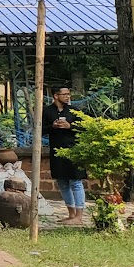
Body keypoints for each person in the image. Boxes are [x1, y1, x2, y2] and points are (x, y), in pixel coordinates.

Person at [42, 85, 86, 223]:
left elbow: (84, 128)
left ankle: (79, 216)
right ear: (56, 96)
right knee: (62, 182)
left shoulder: (74, 111)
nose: (67, 97)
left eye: (68, 94)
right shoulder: (47, 111)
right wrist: (52, 126)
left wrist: (70, 126)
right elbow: (40, 129)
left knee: (76, 182)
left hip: (73, 150)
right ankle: (71, 214)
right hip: (56, 151)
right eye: (64, 94)